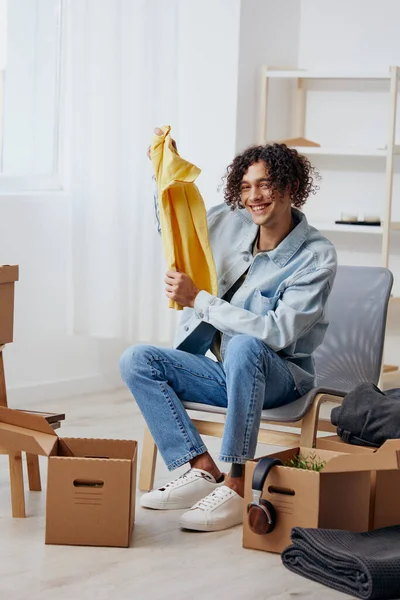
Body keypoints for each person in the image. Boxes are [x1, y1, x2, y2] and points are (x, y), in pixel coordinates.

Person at [120, 129, 337, 532]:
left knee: (245, 348)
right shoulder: (231, 221)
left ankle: (237, 484)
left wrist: (199, 299)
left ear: (290, 187)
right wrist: (165, 177)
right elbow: (176, 228)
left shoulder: (316, 255)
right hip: (230, 374)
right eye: (246, 187)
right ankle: (203, 469)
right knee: (137, 360)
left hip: (281, 377)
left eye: (265, 185)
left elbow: (275, 333)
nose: (254, 196)